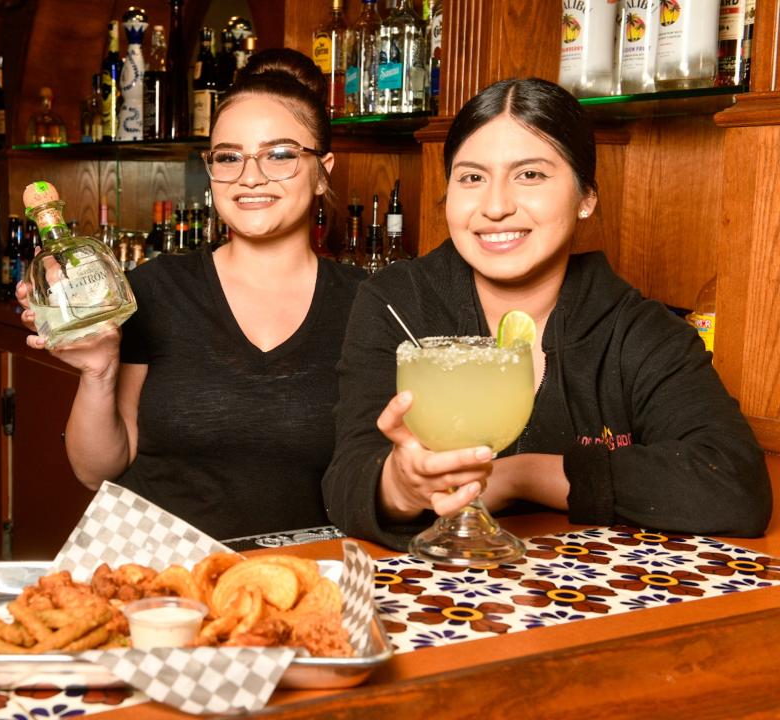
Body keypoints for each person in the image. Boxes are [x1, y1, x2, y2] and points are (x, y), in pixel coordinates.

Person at [322, 77, 771, 551]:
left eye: (530, 175)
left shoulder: (635, 328)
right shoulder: (399, 303)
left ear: (586, 198)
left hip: (582, 605)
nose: (495, 207)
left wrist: (523, 475)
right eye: (472, 177)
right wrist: (399, 485)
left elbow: (733, 482)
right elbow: (347, 482)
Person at [17, 49, 364, 540]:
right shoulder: (157, 288)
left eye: (280, 154)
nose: (250, 176)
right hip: (162, 577)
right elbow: (96, 473)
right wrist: (98, 372)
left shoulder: (368, 305)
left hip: (304, 584)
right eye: (229, 157)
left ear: (323, 169)